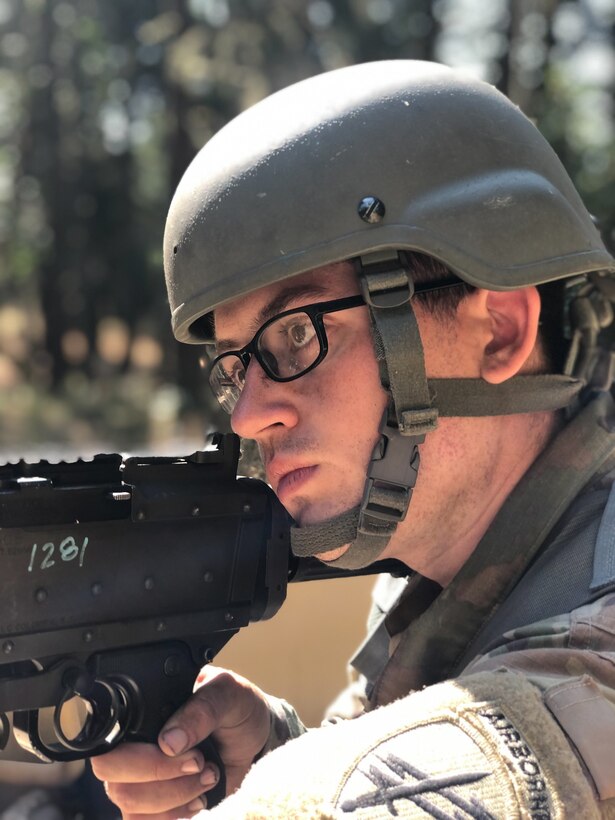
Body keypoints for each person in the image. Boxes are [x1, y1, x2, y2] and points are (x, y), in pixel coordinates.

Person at [91, 60, 615, 818]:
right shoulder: (428, 578)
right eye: (235, 367)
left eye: (296, 334)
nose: (246, 416)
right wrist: (273, 756)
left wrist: (295, 796)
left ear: (497, 332)